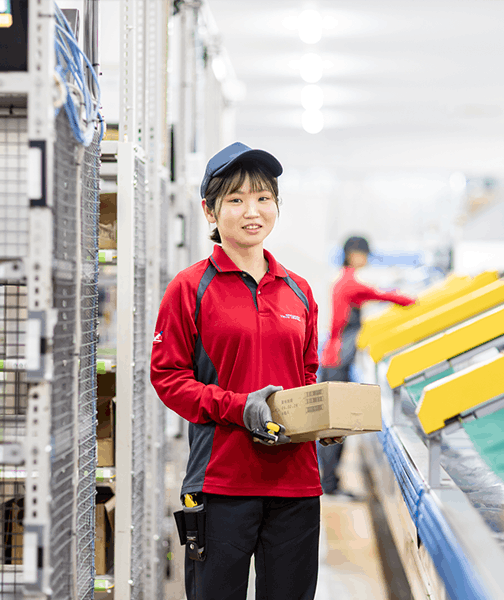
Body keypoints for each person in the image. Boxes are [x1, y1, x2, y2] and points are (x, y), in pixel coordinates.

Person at [151, 142, 332, 600]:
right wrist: (239, 408)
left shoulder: (299, 291)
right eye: (235, 200)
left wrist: (321, 420)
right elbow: (168, 378)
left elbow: (306, 374)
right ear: (209, 212)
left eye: (263, 198)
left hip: (295, 484)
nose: (252, 211)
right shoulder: (190, 288)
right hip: (222, 482)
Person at [318, 236, 416, 496]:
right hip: (337, 358)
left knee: (333, 423)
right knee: (335, 424)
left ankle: (328, 481)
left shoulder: (343, 280)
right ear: (353, 254)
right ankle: (328, 484)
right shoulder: (350, 283)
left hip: (333, 357)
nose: (367, 259)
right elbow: (382, 296)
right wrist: (415, 303)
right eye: (364, 254)